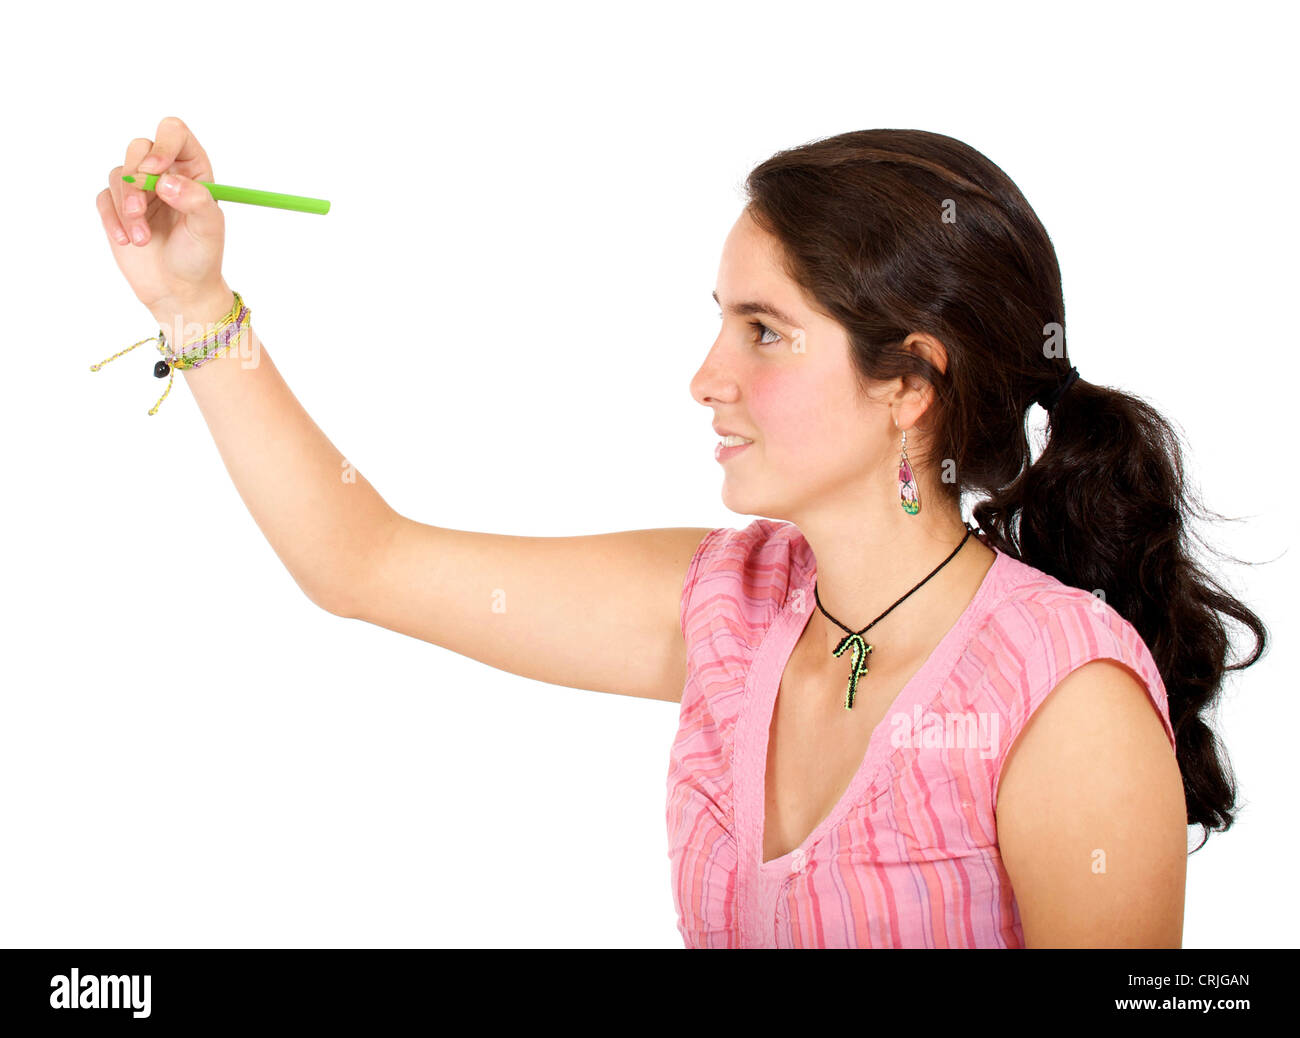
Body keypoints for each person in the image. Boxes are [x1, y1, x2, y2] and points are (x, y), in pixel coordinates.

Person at [97, 118, 1267, 949]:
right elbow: (364, 562)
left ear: (909, 382)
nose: (705, 376)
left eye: (764, 332)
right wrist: (197, 309)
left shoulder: (1064, 702)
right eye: (721, 321)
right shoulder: (730, 608)